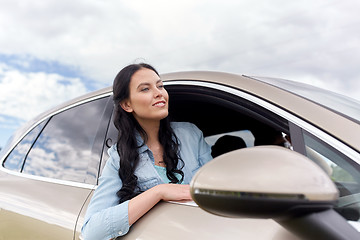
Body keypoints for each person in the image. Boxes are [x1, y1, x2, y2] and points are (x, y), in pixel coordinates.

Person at [81, 63, 213, 239]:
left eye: (160, 86)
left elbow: (216, 191)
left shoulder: (190, 134)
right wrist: (159, 192)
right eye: (145, 89)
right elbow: (91, 232)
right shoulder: (119, 157)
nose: (159, 92)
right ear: (127, 105)